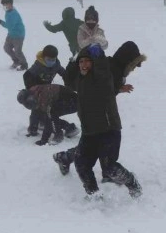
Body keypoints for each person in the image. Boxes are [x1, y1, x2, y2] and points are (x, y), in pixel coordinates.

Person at [52, 45, 142, 199]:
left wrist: (97, 52)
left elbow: (102, 69)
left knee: (109, 168)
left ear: (94, 63)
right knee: (81, 164)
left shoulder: (102, 77)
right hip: (89, 131)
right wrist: (73, 60)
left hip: (108, 130)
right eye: (81, 62)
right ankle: (94, 195)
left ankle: (132, 182)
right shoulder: (80, 80)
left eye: (88, 61)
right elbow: (69, 79)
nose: (84, 65)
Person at [22, 45, 74, 139]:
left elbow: (64, 74)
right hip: (37, 92)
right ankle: (33, 128)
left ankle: (67, 127)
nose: (51, 61)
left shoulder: (56, 65)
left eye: (53, 59)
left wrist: (69, 83)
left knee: (46, 112)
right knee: (36, 110)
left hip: (49, 92)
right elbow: (27, 75)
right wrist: (31, 88)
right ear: (43, 57)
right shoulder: (38, 66)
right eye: (49, 59)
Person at [0, 0, 27, 70]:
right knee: (7, 48)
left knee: (18, 51)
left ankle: (24, 65)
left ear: (10, 4)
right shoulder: (8, 11)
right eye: (3, 5)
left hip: (18, 35)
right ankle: (16, 61)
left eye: (5, 4)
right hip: (11, 34)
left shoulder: (14, 14)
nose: (4, 6)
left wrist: (0, 22)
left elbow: (9, 26)